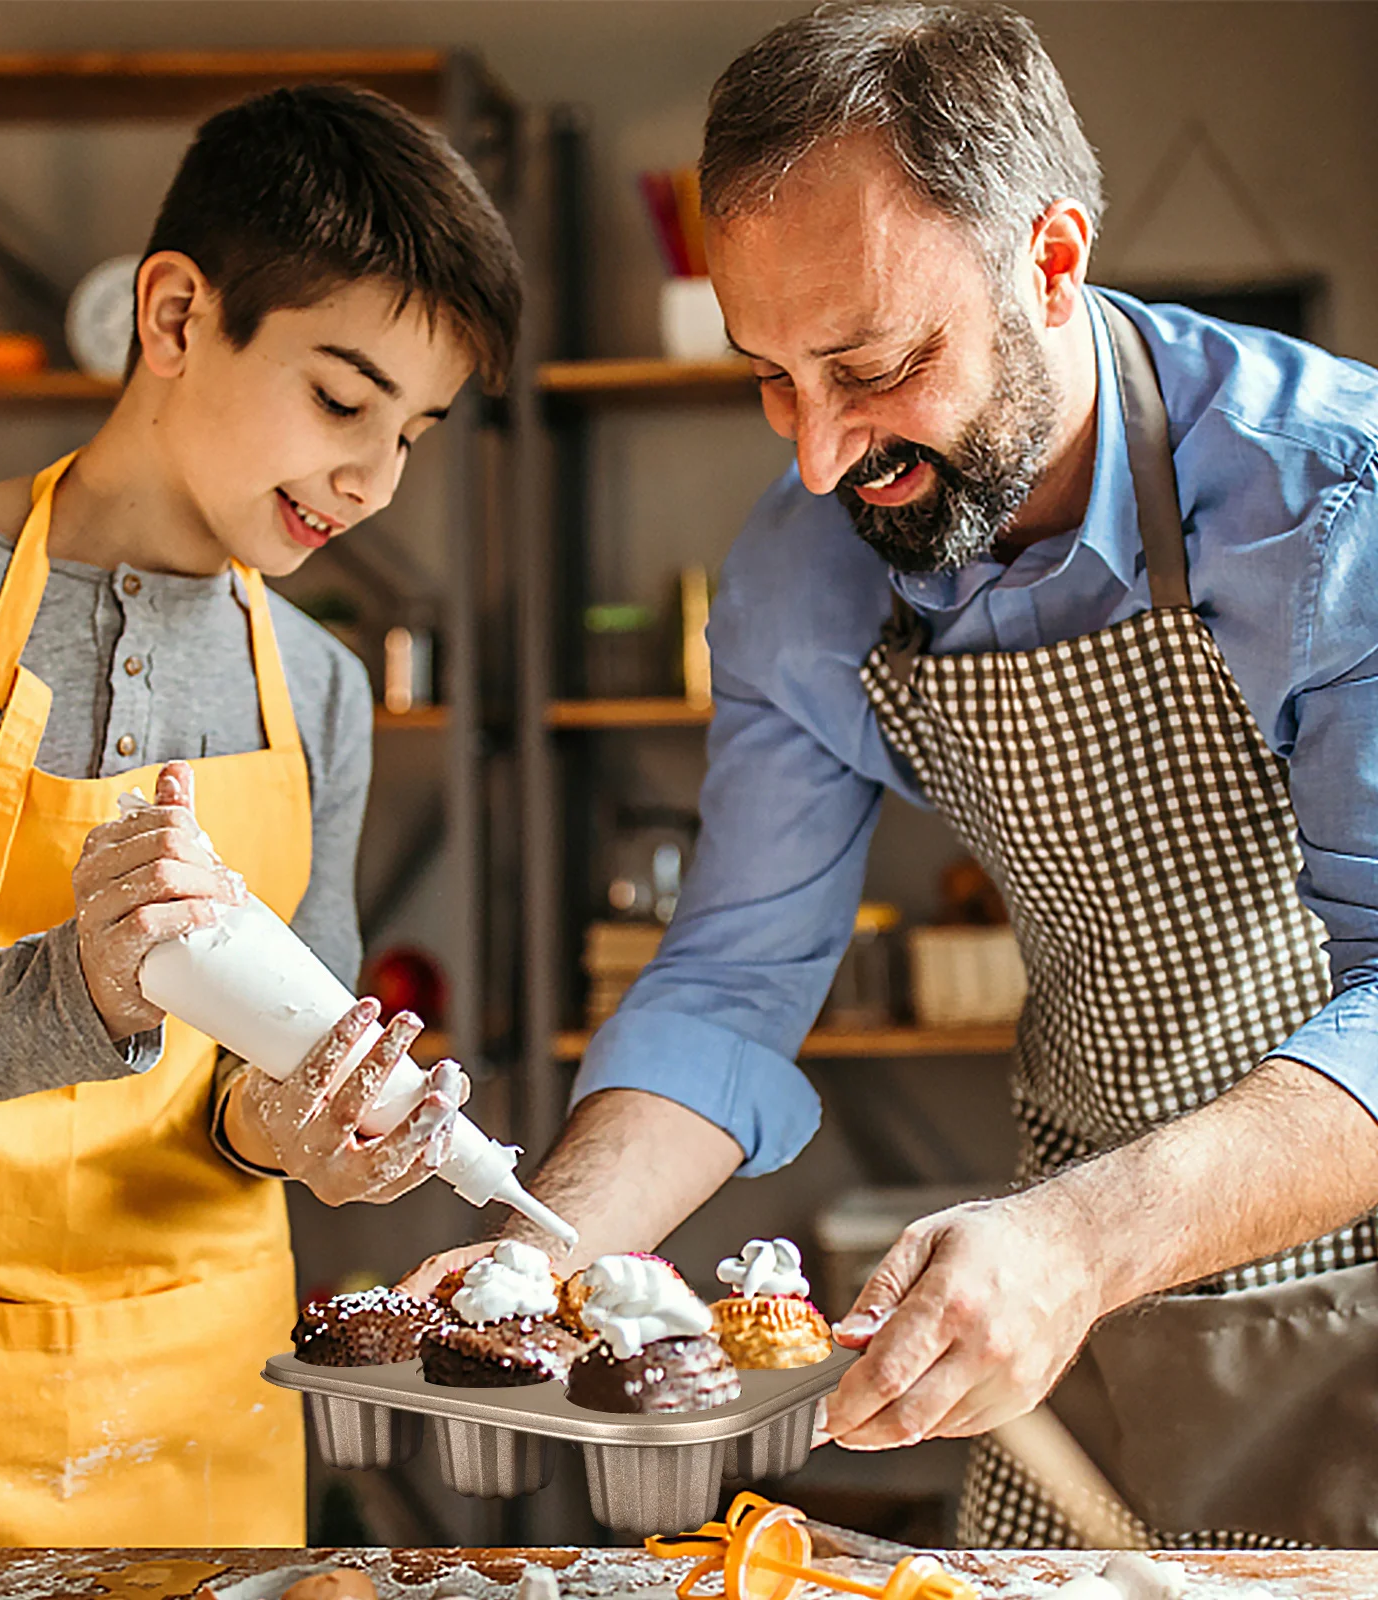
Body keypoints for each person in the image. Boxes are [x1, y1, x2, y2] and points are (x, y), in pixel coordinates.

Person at [406, 2, 1378, 1549]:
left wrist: (1083, 1242)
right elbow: (732, 982)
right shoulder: (803, 573)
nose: (815, 457)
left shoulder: (1328, 506)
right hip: (1054, 1284)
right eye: (771, 378)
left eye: (872, 365)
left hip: (1326, 1268)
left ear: (1052, 261)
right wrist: (545, 1247)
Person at [0, 83, 520, 1546]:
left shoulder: (318, 683)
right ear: (176, 316)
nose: (372, 482)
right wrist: (76, 984)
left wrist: (303, 1131)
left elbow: (246, 1099)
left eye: (416, 433)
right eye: (341, 400)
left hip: (207, 1432)